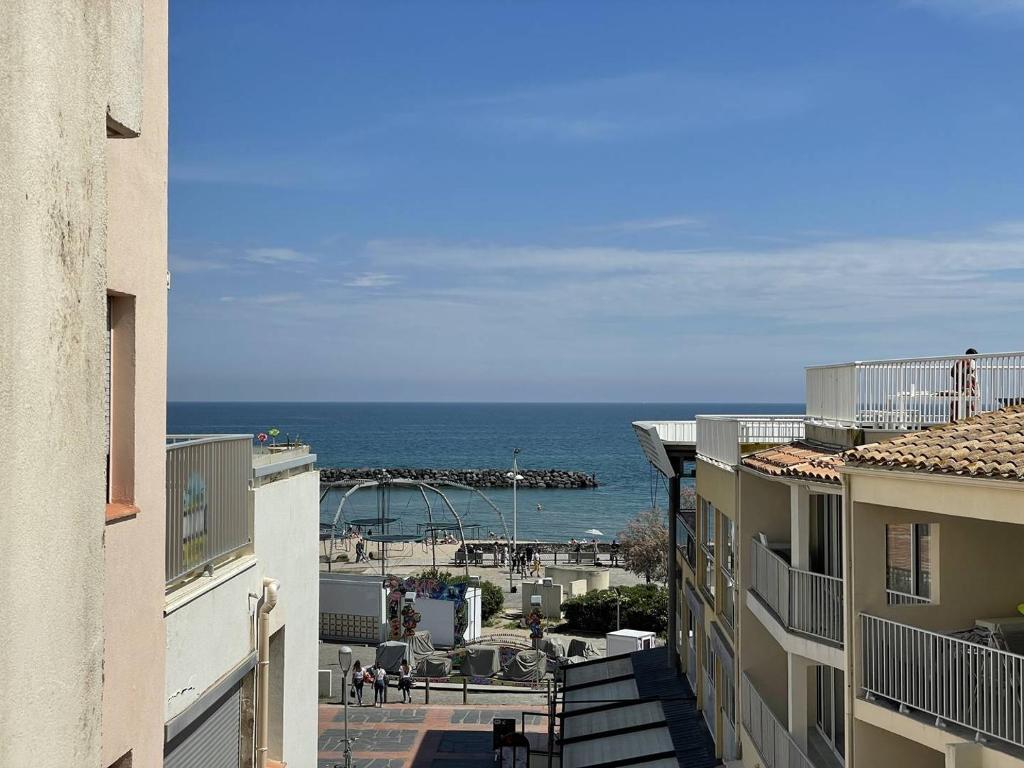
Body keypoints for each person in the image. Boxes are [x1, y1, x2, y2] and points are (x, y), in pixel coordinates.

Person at [951, 347, 979, 422]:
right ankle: (971, 419)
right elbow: (970, 372)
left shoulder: (959, 362)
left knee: (957, 404)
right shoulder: (972, 362)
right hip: (968, 387)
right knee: (971, 404)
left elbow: (952, 373)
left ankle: (955, 419)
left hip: (958, 386)